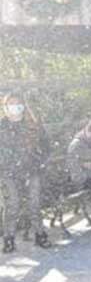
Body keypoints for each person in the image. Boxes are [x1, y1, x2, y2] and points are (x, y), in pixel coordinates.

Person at [0, 93, 51, 253]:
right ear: (5, 107)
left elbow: (46, 146)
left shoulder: (32, 125)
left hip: (31, 171)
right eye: (11, 104)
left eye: (18, 104)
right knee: (12, 205)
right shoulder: (2, 127)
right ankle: (9, 238)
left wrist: (38, 161)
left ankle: (39, 234)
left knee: (34, 204)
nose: (15, 107)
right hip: (9, 172)